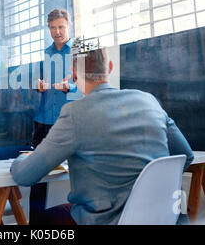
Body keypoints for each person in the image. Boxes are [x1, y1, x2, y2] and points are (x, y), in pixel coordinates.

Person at [11, 39, 194, 225]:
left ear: (74, 75)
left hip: (107, 221)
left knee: (41, 220)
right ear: (110, 67)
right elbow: (185, 155)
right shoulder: (149, 101)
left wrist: (23, 158)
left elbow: (25, 176)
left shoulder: (75, 112)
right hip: (166, 219)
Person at [30, 9, 78, 224]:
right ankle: (35, 224)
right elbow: (37, 83)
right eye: (52, 28)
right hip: (43, 123)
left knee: (79, 171)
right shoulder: (46, 53)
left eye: (61, 27)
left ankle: (81, 219)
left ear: (69, 26)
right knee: (37, 177)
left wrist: (70, 88)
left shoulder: (79, 52)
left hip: (70, 122)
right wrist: (38, 87)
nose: (57, 32)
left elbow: (91, 86)